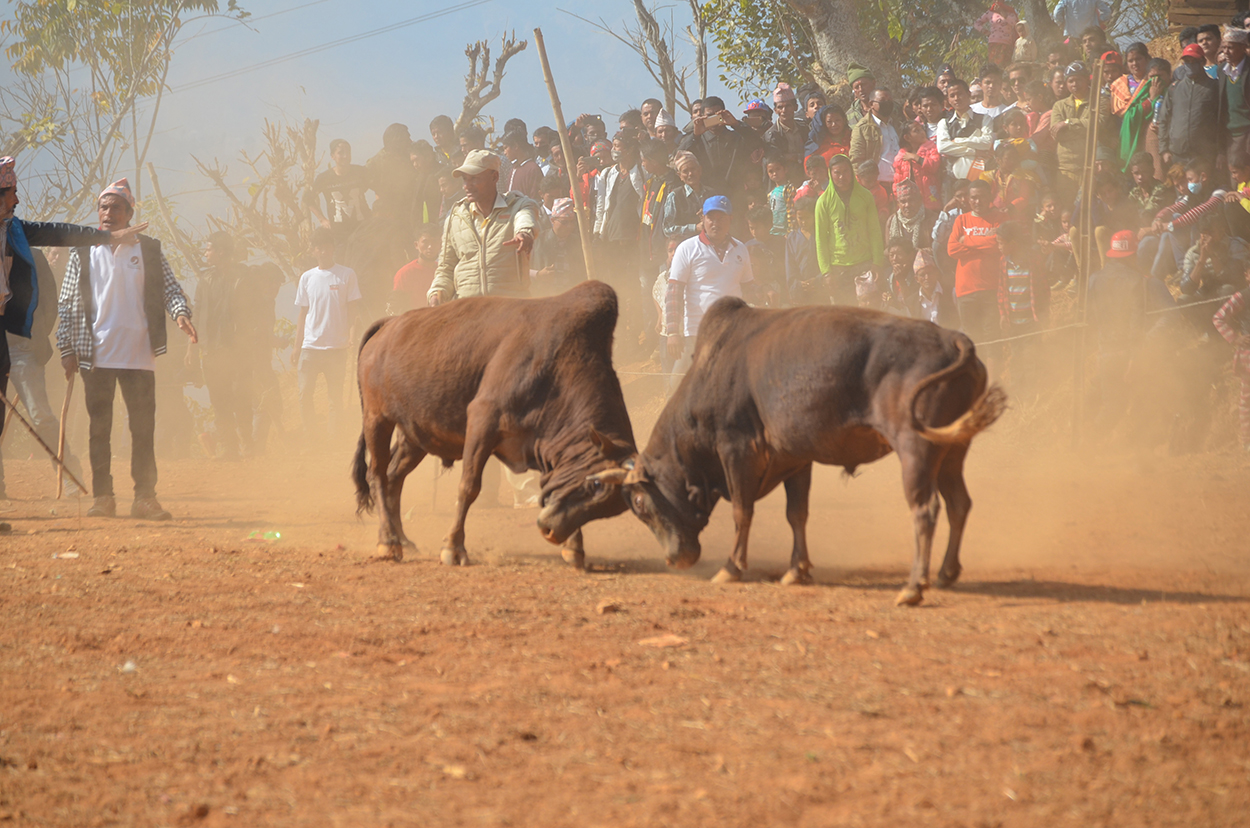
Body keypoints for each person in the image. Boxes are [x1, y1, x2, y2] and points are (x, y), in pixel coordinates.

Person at [57, 178, 197, 520]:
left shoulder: (147, 249)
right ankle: (103, 497)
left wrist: (180, 314)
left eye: (116, 208)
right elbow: (68, 302)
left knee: (142, 429)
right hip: (96, 354)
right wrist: (66, 348)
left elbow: (170, 289)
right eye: (103, 207)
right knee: (98, 429)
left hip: (138, 354)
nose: (108, 214)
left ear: (130, 213)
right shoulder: (83, 249)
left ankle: (145, 498)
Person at [663, 196, 755, 372]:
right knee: (679, 384)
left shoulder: (740, 249)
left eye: (721, 218)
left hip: (732, 331)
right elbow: (674, 292)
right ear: (702, 219)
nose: (715, 223)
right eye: (711, 218)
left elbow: (749, 287)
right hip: (697, 331)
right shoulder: (687, 248)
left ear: (731, 219)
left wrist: (764, 293)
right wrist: (673, 332)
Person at [194, 232, 261, 460]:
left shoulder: (245, 277)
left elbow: (255, 313)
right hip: (212, 351)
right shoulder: (205, 280)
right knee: (219, 400)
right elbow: (197, 313)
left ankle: (247, 444)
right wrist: (192, 347)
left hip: (238, 350)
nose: (205, 253)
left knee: (241, 397)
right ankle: (229, 448)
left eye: (209, 249)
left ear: (221, 252)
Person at [292, 228, 360, 446]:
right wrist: (296, 347)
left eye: (326, 245)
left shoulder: (346, 274)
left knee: (335, 398)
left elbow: (353, 310)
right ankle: (312, 438)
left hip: (336, 348)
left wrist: (351, 336)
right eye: (318, 246)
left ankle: (334, 441)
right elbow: (303, 314)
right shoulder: (307, 278)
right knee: (304, 395)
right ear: (313, 250)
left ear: (333, 247)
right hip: (310, 347)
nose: (323, 250)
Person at [815, 153, 884, 305]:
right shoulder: (823, 202)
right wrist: (826, 272)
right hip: (838, 268)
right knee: (844, 315)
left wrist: (877, 262)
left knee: (867, 311)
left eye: (845, 171)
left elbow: (875, 231)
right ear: (830, 174)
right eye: (837, 172)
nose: (841, 176)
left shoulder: (865, 196)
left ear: (852, 173)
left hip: (864, 264)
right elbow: (820, 239)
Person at [946, 179, 1003, 343]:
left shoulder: (1000, 218)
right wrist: (984, 240)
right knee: (971, 339)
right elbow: (952, 250)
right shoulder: (961, 220)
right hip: (965, 290)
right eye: (973, 198)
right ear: (968, 199)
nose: (977, 201)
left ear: (990, 197)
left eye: (982, 197)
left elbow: (996, 244)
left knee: (992, 338)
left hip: (992, 288)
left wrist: (967, 240)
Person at [676, 96, 763, 200]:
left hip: (735, 196)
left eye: (717, 115)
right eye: (709, 116)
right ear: (703, 116)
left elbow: (757, 142)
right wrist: (695, 135)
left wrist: (736, 124)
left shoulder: (737, 138)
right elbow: (678, 155)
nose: (713, 119)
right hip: (706, 197)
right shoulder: (697, 141)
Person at [1050, 61, 1112, 207]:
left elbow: (1097, 124)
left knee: (1090, 210)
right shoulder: (1059, 105)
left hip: (1090, 167)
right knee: (1067, 209)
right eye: (1070, 80)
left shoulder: (1099, 101)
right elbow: (1057, 134)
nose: (1074, 84)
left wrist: (1067, 124)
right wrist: (1083, 128)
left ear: (1087, 79)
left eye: (1078, 79)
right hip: (1066, 169)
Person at [1158, 44, 1221, 169]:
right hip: (1178, 154)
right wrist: (1164, 149)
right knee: (1180, 187)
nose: (1190, 65)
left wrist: (1221, 152)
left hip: (1204, 154)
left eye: (1194, 61)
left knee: (1204, 187)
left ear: (1202, 61)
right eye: (1187, 61)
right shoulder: (1174, 88)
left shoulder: (1214, 87)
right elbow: (1164, 119)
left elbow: (1222, 120)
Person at [1212, 263, 1250, 451]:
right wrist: (1235, 338)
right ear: (1247, 276)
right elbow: (1218, 317)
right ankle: (1246, 442)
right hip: (1249, 353)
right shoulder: (1242, 296)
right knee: (1247, 401)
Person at [936, 79, 995, 199]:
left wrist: (958, 141)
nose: (956, 98)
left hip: (978, 179)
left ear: (968, 94)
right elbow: (942, 147)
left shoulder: (984, 119)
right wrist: (973, 151)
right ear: (948, 100)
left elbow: (987, 143)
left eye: (960, 94)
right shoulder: (944, 123)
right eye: (952, 95)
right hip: (951, 181)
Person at [306, 139, 370, 243]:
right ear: (332, 156)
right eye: (340, 152)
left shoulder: (360, 172)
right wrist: (322, 219)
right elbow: (308, 199)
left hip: (363, 228)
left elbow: (378, 187)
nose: (345, 156)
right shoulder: (324, 178)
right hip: (340, 233)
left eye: (348, 152)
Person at [1179, 214, 1248, 298]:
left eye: (1211, 233)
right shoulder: (1193, 253)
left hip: (1233, 292)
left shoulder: (1235, 246)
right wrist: (1202, 260)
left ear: (1222, 231)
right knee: (1184, 298)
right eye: (1204, 233)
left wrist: (1212, 256)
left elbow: (1235, 279)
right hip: (1208, 291)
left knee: (1227, 290)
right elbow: (1186, 288)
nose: (1208, 238)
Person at [366, 123, 418, 223]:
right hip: (389, 214)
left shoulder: (410, 157)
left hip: (411, 211)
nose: (410, 141)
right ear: (397, 140)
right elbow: (363, 182)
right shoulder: (377, 162)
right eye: (407, 138)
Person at [850, 88, 899, 188]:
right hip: (876, 186)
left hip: (899, 183)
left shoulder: (896, 124)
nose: (887, 103)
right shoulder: (862, 128)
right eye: (883, 100)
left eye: (890, 100)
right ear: (871, 104)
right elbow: (856, 161)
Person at [390, 224, 440, 312]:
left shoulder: (443, 271)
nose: (430, 247)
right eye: (425, 242)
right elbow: (397, 307)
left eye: (434, 242)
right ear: (416, 245)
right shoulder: (404, 274)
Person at [662, 151, 711, 240]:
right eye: (685, 171)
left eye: (693, 169)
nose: (690, 174)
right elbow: (667, 229)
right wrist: (694, 228)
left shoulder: (711, 194)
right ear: (680, 175)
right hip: (685, 247)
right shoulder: (674, 196)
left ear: (700, 170)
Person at [894, 120, 942, 212]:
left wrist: (916, 157)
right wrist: (898, 200)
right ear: (907, 138)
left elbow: (934, 166)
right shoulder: (901, 156)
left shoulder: (931, 148)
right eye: (917, 131)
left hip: (929, 199)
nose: (922, 133)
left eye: (922, 130)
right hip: (909, 203)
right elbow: (897, 181)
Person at [1219, 27, 1250, 166]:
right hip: (1230, 135)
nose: (1226, 52)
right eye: (1224, 47)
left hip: (1247, 133)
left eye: (1230, 47)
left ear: (1243, 48)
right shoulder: (1222, 70)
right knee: (1235, 177)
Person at [784, 194, 821, 305]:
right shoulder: (792, 238)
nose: (804, 222)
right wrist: (798, 284)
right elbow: (790, 265)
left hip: (820, 288)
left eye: (808, 218)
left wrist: (818, 279)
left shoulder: (821, 235)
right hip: (800, 291)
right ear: (796, 216)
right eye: (800, 218)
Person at [908, 248, 960, 326]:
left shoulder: (951, 293)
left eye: (930, 273)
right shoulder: (912, 302)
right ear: (916, 279)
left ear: (936, 273)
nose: (927, 277)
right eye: (922, 275)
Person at [887, 179, 936, 250]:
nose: (907, 205)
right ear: (898, 203)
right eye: (903, 202)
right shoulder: (892, 221)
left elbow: (937, 250)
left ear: (919, 200)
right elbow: (889, 249)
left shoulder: (931, 219)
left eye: (911, 200)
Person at [764, 82, 806, 165]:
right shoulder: (771, 135)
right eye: (780, 107)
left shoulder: (805, 128)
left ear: (795, 107)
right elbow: (775, 159)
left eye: (788, 106)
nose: (784, 110)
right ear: (775, 110)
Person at [500, 130, 543, 202]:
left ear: (515, 146)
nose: (504, 153)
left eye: (506, 148)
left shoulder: (532, 169)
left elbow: (535, 199)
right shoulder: (514, 169)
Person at [975, 1, 1019, 68]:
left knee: (1005, 66)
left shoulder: (1010, 12)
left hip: (1006, 43)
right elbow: (977, 23)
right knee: (994, 67)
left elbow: (1016, 24)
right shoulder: (990, 13)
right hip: (993, 43)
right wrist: (985, 31)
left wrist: (1004, 14)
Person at [845, 63, 877, 127]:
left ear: (873, 83)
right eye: (857, 87)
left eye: (864, 84)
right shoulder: (849, 116)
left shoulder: (888, 107)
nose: (861, 89)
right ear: (854, 91)